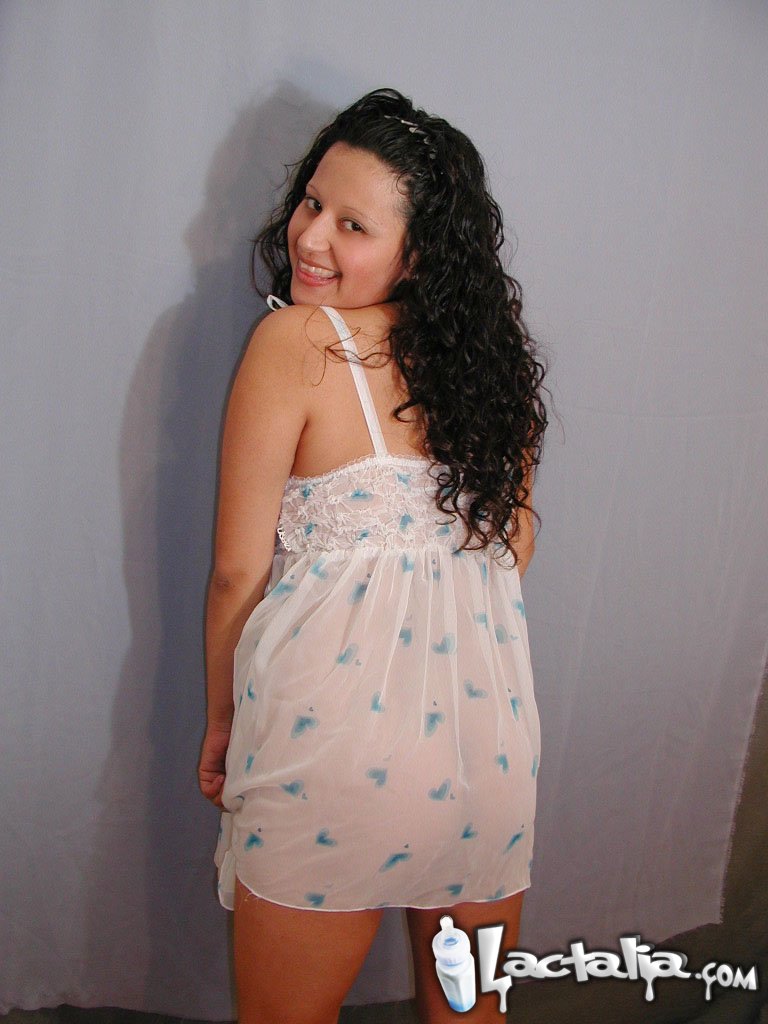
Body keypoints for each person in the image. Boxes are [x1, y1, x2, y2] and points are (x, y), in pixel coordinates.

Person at [198, 87, 549, 1024]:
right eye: (312, 202)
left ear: (417, 253)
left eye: (352, 224)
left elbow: (236, 574)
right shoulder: (494, 372)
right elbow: (511, 552)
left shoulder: (297, 342)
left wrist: (223, 721)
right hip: (486, 748)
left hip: (332, 750)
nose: (311, 237)